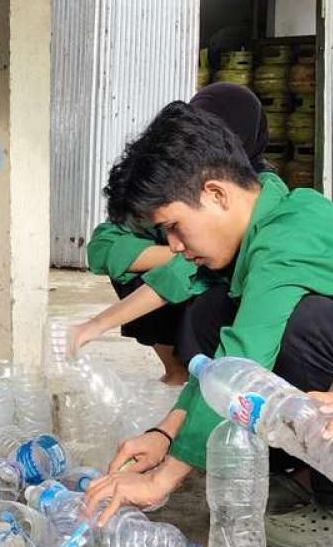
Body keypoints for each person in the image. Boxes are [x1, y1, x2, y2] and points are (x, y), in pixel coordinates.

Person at [79, 100, 333, 547]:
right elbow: (218, 368)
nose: (175, 246)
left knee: (296, 327)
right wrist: (165, 435)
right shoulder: (253, 233)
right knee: (210, 313)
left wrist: (159, 483)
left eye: (175, 227)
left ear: (216, 194)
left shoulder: (287, 238)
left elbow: (242, 360)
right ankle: (306, 473)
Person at [76, 84, 270, 385]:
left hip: (284, 339)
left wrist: (171, 431)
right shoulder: (178, 186)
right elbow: (102, 247)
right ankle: (179, 372)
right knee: (139, 272)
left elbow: (250, 347)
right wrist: (180, 250)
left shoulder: (263, 207)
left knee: (211, 307)